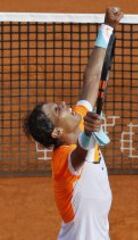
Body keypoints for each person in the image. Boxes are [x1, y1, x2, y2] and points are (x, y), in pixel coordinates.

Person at [23, 7, 123, 240]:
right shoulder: (62, 161)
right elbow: (79, 156)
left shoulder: (77, 119)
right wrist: (88, 134)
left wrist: (106, 28)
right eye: (58, 110)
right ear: (57, 131)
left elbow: (91, 77)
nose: (64, 103)